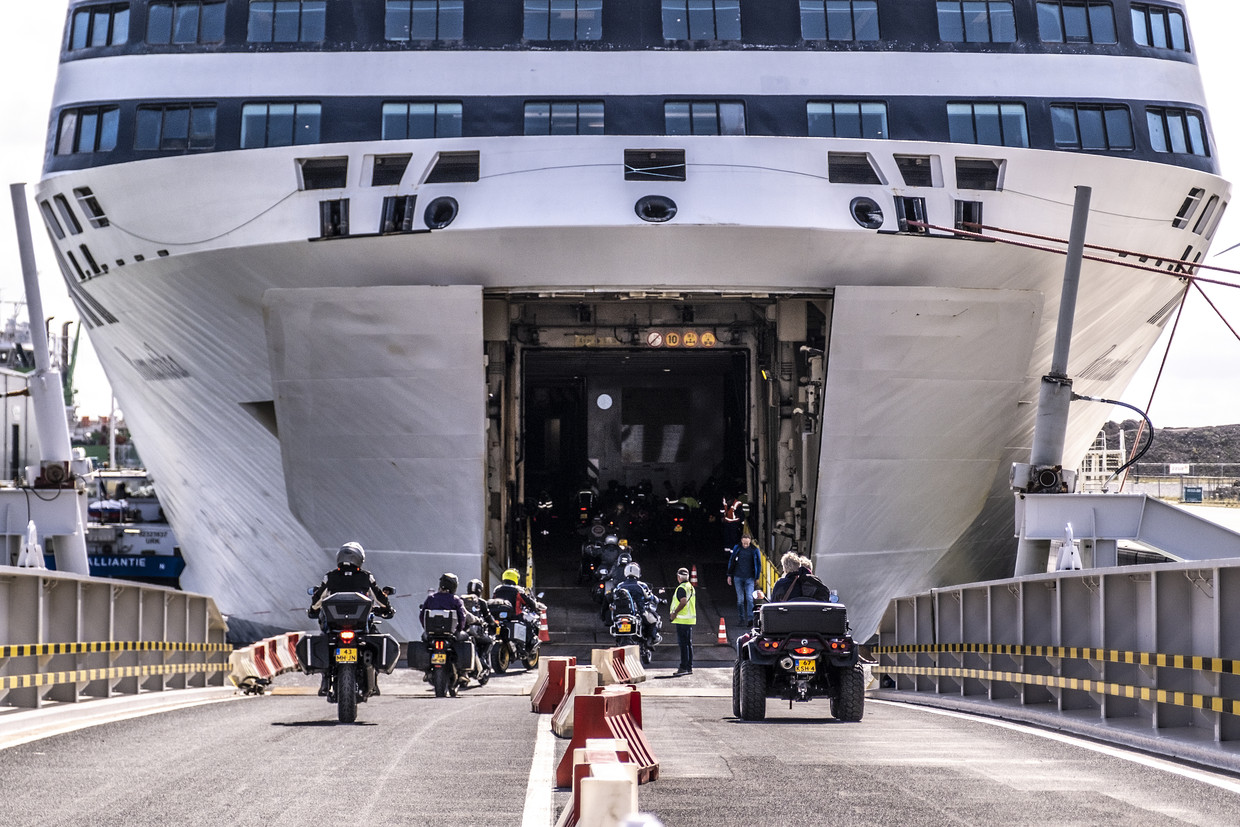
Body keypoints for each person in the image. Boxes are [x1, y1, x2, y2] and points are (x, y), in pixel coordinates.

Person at [307, 541, 395, 695]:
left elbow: (318, 598)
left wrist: (313, 610)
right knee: (374, 639)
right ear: (359, 558)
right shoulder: (365, 576)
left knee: (324, 639)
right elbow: (379, 597)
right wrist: (387, 609)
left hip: (335, 628)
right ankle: (373, 679)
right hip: (359, 627)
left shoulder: (331, 576)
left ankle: (325, 679)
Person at [419, 572, 469, 637]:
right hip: (451, 635)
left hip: (432, 634)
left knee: (423, 637)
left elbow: (422, 616)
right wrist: (459, 629)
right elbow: (461, 617)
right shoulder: (456, 600)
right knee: (467, 637)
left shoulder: (431, 598)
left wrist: (427, 629)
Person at [727, 533, 761, 627]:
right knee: (740, 600)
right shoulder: (737, 548)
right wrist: (729, 575)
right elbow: (731, 560)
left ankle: (750, 619)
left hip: (749, 578)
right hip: (738, 577)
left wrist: (757, 577)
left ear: (750, 541)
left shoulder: (754, 550)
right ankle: (741, 618)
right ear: (741, 541)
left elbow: (758, 564)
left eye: (747, 543)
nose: (745, 545)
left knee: (750, 599)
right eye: (744, 543)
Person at [461, 578, 496, 665]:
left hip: (462, 630)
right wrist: (494, 624)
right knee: (489, 641)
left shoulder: (461, 599)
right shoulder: (482, 602)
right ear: (480, 590)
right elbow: (488, 617)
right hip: (475, 631)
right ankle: (483, 658)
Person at [669, 566, 696, 676]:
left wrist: (674, 613)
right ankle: (689, 667)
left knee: (683, 644)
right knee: (688, 644)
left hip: (682, 620)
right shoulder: (690, 587)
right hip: (689, 620)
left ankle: (683, 667)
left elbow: (683, 601)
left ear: (678, 577)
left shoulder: (681, 588)